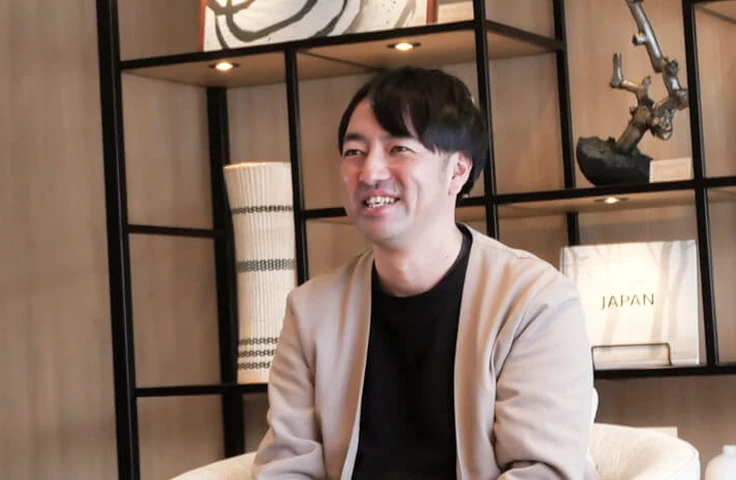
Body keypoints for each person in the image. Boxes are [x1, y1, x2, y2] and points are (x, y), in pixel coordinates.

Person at [252, 66, 595, 479]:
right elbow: (285, 468)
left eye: (398, 148)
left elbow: (543, 472)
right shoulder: (311, 311)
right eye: (354, 152)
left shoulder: (533, 302)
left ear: (458, 171)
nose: (370, 172)